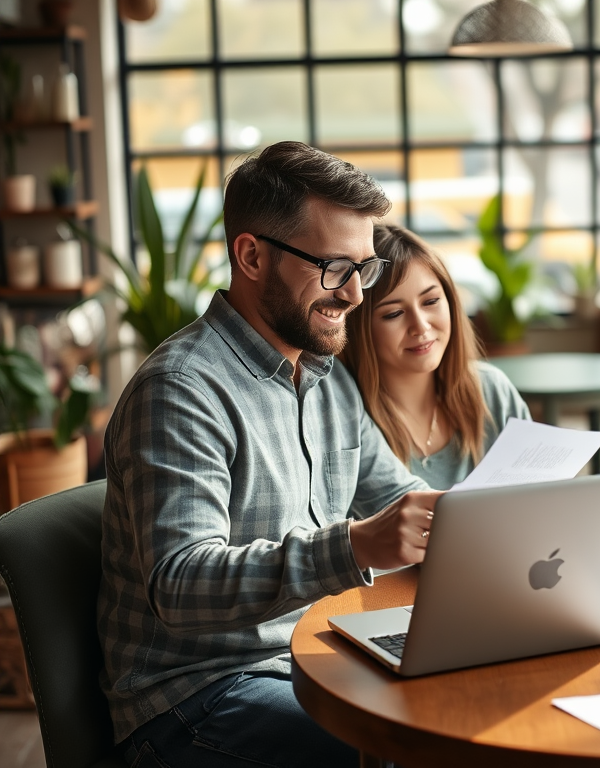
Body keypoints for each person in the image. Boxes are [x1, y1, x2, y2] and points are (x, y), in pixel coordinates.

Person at [97, 141, 443, 768]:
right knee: (409, 746)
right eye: (335, 269)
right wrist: (356, 545)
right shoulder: (181, 390)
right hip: (194, 699)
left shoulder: (325, 377)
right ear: (251, 255)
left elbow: (401, 503)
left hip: (310, 657)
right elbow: (179, 583)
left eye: (364, 270)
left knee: (463, 705)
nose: (356, 296)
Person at [340, 224, 531, 489]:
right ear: (360, 329)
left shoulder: (491, 391)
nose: (421, 326)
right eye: (393, 314)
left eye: (430, 302)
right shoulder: (346, 417)